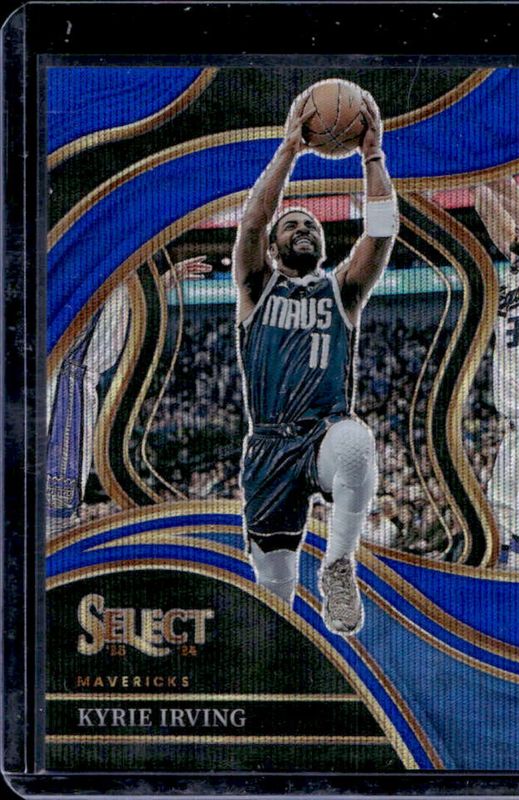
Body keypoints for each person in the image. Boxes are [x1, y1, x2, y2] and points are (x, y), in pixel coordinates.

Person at [233, 90, 397, 634]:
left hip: (322, 434)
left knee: (355, 442)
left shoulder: (342, 291)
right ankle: (282, 654)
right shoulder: (256, 286)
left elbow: (381, 233)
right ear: (275, 246)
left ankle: (339, 565)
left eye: (312, 227)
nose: (303, 229)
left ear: (324, 247)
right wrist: (289, 150)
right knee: (274, 595)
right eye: (292, 225)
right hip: (268, 446)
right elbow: (251, 224)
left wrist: (372, 155)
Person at [46, 256, 211, 535]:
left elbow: (109, 306)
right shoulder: (76, 266)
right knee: (54, 513)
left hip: (71, 380)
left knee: (57, 510)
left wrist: (158, 285)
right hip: (63, 382)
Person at [474, 176, 519, 569]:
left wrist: (501, 179)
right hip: (517, 432)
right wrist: (476, 170)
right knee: (499, 545)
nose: (517, 219)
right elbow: (489, 208)